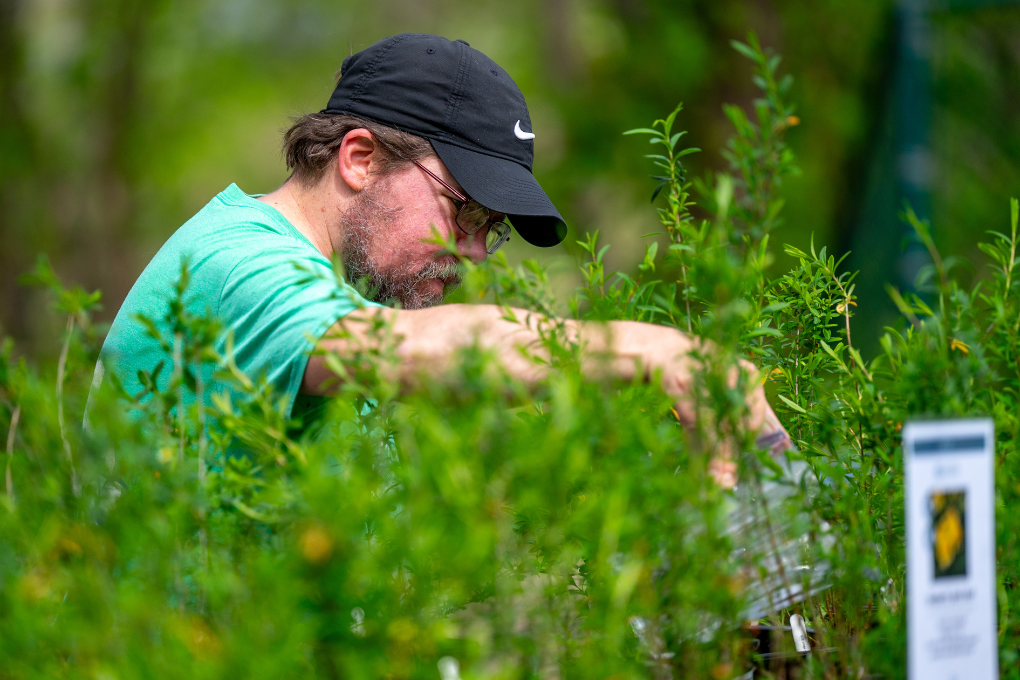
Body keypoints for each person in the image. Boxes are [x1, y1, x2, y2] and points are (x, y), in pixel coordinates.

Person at [91, 33, 790, 483]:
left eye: (492, 227)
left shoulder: (338, 299)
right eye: (464, 211)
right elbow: (409, 350)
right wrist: (654, 352)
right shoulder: (238, 266)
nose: (476, 252)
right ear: (360, 159)